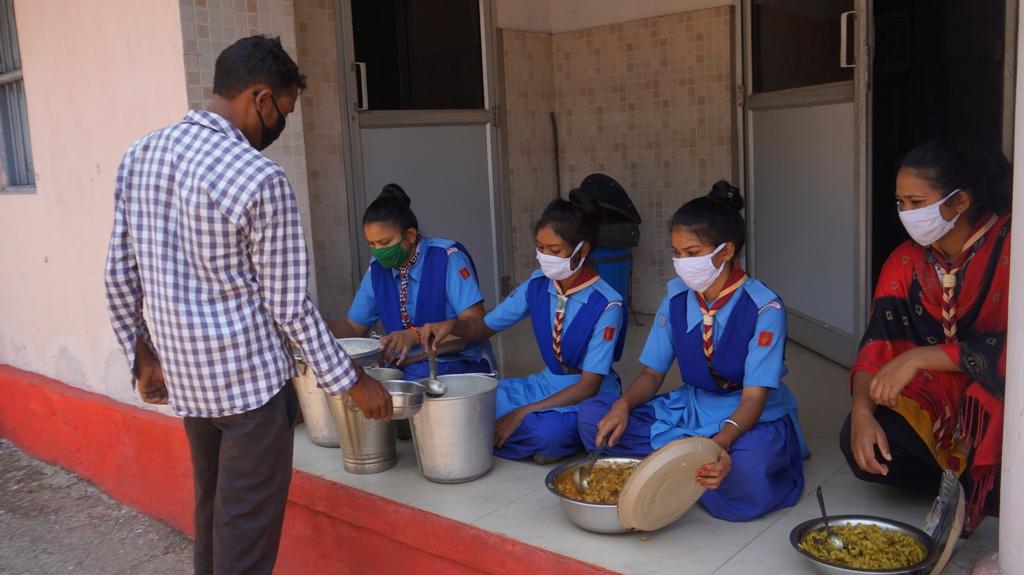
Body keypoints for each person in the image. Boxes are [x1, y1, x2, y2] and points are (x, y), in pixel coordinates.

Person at [104, 36, 392, 575]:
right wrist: (352, 381)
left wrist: (140, 354)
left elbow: (120, 272)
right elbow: (290, 306)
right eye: (283, 111)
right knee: (245, 538)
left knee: (215, 517)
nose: (280, 125)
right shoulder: (259, 177)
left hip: (188, 382)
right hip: (249, 391)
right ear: (260, 99)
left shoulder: (141, 154)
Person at [576, 181, 807, 522]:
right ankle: (685, 467)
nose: (681, 263)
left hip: (747, 416)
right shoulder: (676, 299)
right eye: (677, 253)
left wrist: (721, 442)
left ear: (725, 252)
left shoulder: (764, 308)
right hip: (692, 407)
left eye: (693, 253)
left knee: (748, 471)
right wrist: (622, 406)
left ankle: (675, 466)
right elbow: (652, 374)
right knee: (593, 417)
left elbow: (754, 398)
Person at [840, 141, 1011, 532]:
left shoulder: (1012, 246)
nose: (906, 214)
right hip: (939, 396)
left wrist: (917, 358)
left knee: (996, 413)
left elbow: (1014, 352)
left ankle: (982, 483)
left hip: (1001, 392)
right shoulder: (906, 259)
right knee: (861, 441)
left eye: (917, 202)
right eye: (900, 203)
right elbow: (877, 343)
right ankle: (966, 482)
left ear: (960, 201)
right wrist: (863, 413)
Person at [420, 190, 625, 463]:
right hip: (544, 384)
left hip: (586, 394)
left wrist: (521, 413)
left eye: (554, 251)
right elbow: (483, 328)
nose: (545, 256)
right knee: (479, 404)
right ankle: (527, 441)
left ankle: (535, 438)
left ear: (582, 250)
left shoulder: (607, 304)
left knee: (550, 432)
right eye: (540, 248)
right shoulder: (537, 285)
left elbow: (588, 386)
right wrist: (452, 325)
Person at [331, 184, 493, 378]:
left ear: (410, 236)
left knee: (411, 378)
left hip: (457, 363)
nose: (378, 251)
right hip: (407, 366)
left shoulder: (447, 258)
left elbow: (476, 324)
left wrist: (414, 336)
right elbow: (353, 328)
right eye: (372, 244)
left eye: (385, 242)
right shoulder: (377, 269)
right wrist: (315, 325)